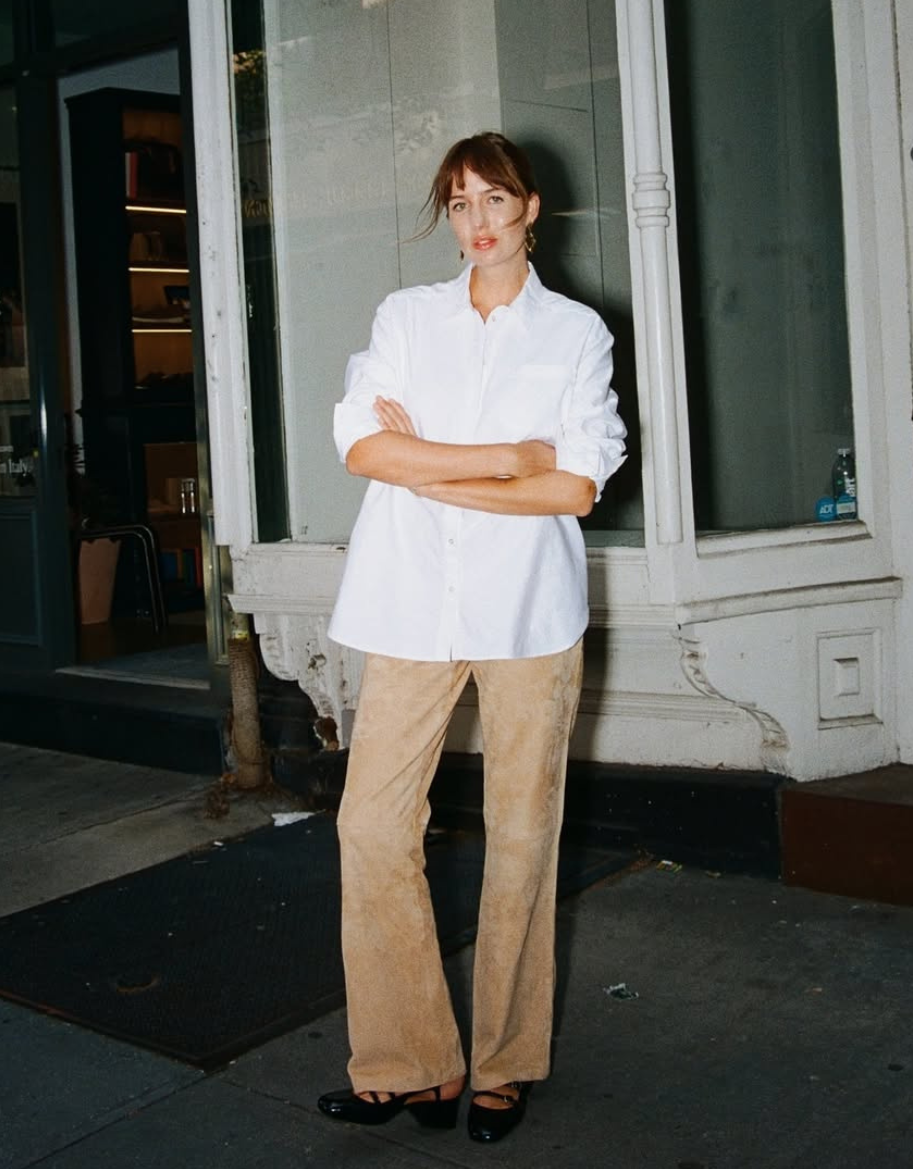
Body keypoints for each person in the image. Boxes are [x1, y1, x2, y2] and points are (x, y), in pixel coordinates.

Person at [317, 132, 626, 1143]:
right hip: (406, 602)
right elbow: (363, 444)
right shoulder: (406, 318)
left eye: (495, 199)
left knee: (522, 836)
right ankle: (410, 1061)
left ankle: (501, 1062)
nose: (478, 222)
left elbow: (575, 484)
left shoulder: (576, 333)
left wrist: (426, 463)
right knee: (369, 828)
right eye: (458, 205)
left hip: (527, 612)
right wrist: (504, 460)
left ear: (532, 207)